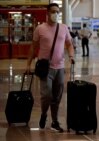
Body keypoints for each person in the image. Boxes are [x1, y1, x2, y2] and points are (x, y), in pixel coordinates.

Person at [26, 3, 75, 133]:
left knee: (57, 96)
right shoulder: (40, 29)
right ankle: (43, 113)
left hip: (59, 68)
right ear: (47, 13)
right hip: (45, 68)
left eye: (57, 12)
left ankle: (54, 120)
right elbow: (33, 47)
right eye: (53, 11)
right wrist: (28, 64)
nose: (55, 14)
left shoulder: (63, 28)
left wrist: (71, 55)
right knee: (46, 95)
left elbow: (69, 44)